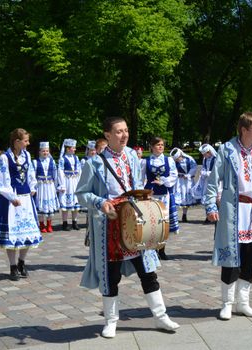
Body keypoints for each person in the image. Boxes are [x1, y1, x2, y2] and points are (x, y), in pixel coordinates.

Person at [75, 117, 179, 338]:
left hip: (134, 222)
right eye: (119, 132)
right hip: (109, 226)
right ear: (107, 135)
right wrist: (101, 203)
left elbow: (136, 184)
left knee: (148, 271)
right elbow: (81, 194)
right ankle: (111, 321)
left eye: (126, 130)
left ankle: (161, 317)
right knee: (111, 276)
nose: (124, 135)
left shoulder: (132, 155)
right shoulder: (94, 163)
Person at [204, 112, 252, 321]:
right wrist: (211, 205)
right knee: (231, 256)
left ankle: (243, 302)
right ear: (244, 130)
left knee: (250, 255)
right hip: (232, 209)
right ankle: (227, 303)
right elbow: (213, 180)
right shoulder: (227, 150)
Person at [0, 128, 42, 281]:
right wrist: (11, 196)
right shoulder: (5, 158)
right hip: (12, 200)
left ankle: (22, 262)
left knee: (28, 232)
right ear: (17, 142)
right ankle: (12, 266)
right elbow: (2, 180)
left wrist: (33, 187)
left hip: (26, 198)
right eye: (25, 140)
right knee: (13, 234)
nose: (28, 143)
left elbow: (30, 173)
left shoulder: (27, 155)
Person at [142, 137, 179, 260]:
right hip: (150, 195)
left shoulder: (169, 160)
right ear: (151, 147)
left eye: (162, 145)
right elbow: (140, 178)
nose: (161, 147)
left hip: (164, 195)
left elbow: (174, 175)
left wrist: (163, 181)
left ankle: (162, 250)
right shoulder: (145, 161)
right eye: (158, 145)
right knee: (152, 222)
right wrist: (143, 191)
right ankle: (151, 250)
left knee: (164, 222)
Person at [33, 141, 60, 233]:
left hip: (49, 186)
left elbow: (55, 175)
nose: (45, 153)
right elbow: (32, 175)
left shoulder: (52, 162)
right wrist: (33, 187)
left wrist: (57, 186)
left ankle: (49, 224)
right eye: (43, 151)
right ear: (39, 151)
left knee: (49, 205)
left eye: (47, 151)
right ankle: (41, 224)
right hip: (40, 186)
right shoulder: (35, 162)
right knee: (41, 205)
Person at [57, 138, 82, 230]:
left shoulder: (76, 158)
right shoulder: (63, 159)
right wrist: (62, 184)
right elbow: (60, 171)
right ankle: (64, 222)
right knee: (66, 204)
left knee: (75, 203)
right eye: (73, 148)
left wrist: (80, 182)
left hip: (74, 181)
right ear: (68, 149)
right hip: (67, 182)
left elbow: (79, 170)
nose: (75, 149)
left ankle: (74, 222)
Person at [191, 144, 219, 223]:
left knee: (215, 198)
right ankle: (208, 216)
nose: (204, 155)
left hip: (215, 181)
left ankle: (216, 215)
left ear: (209, 152)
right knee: (207, 198)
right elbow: (204, 167)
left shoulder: (216, 159)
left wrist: (206, 173)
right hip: (207, 181)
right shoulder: (205, 159)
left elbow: (216, 171)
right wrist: (203, 172)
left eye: (205, 153)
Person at [171, 147, 197, 222]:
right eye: (176, 159)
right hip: (179, 181)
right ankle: (176, 216)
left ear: (181, 155)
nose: (177, 160)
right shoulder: (174, 162)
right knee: (178, 197)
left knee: (186, 197)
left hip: (188, 181)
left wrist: (188, 175)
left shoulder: (189, 159)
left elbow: (194, 167)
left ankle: (184, 214)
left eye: (178, 158)